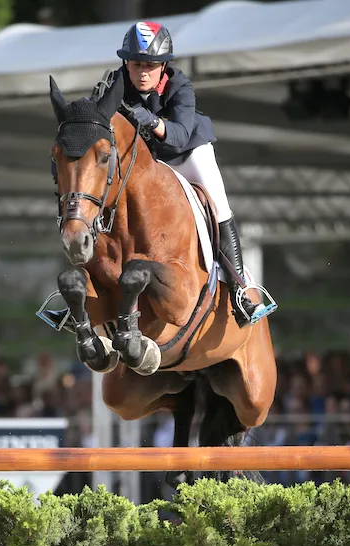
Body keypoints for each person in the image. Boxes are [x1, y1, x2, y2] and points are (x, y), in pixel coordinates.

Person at [114, 21, 277, 327]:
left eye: (151, 65)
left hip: (188, 155)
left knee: (219, 208)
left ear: (164, 66)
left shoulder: (180, 86)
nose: (143, 72)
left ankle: (241, 291)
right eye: (136, 65)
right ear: (126, 63)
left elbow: (177, 135)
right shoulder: (116, 82)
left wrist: (151, 122)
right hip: (151, 164)